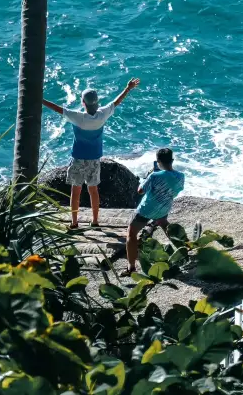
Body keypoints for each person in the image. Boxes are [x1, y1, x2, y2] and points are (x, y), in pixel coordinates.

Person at [42, 78, 140, 228]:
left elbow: (57, 108)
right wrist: (128, 88)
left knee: (76, 192)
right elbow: (116, 102)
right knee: (93, 191)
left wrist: (40, 99)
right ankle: (95, 221)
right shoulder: (102, 115)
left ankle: (74, 223)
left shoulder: (78, 117)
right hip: (94, 160)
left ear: (83, 103)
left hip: (78, 160)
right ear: (97, 103)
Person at [124, 146, 185, 274]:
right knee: (164, 225)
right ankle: (184, 250)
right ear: (172, 160)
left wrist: (148, 176)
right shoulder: (180, 176)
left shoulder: (154, 176)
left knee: (131, 233)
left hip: (147, 210)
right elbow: (176, 191)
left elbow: (140, 191)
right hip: (164, 208)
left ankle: (131, 267)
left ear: (158, 162)